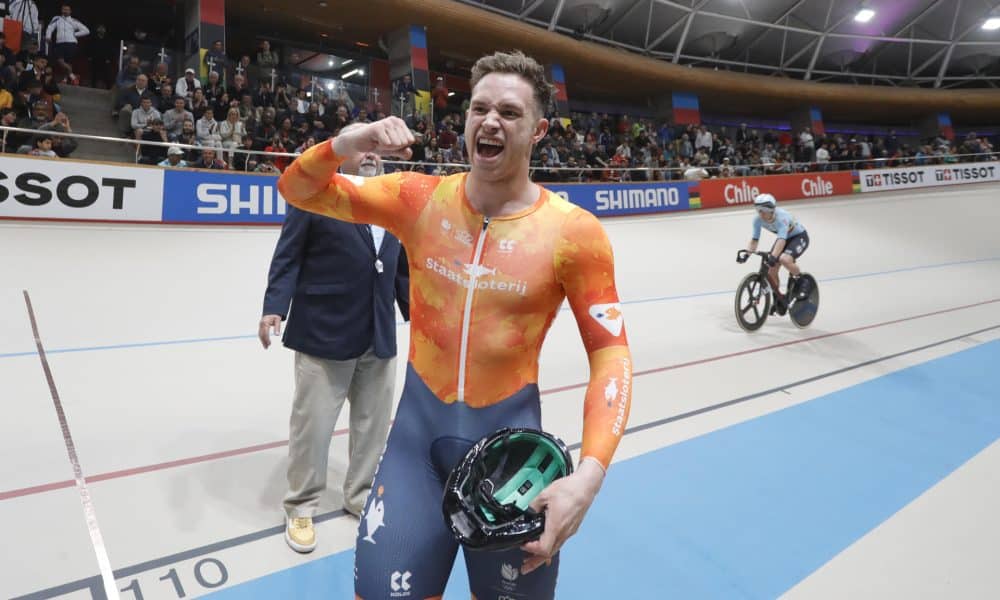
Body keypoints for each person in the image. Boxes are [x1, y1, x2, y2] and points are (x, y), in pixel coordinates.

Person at [277, 50, 632, 600]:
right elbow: (297, 190)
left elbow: (612, 355)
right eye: (479, 108)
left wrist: (589, 475)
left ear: (538, 131)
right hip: (414, 452)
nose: (490, 121)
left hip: (512, 469)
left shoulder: (573, 234)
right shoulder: (419, 200)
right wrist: (346, 143)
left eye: (510, 113)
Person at [261, 124, 410, 554]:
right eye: (364, 144)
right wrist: (275, 305)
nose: (372, 153)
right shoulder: (316, 194)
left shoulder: (392, 201)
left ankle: (360, 495)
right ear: (341, 152)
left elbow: (399, 269)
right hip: (323, 331)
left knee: (373, 426)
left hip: (378, 333)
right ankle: (301, 505)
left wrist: (418, 314)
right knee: (313, 427)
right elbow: (287, 254)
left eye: (378, 148)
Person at [741, 193, 810, 315]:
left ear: (771, 210)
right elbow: (754, 240)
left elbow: (782, 240)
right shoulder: (758, 220)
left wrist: (773, 257)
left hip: (799, 237)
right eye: (758, 210)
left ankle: (803, 280)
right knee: (771, 271)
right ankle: (778, 298)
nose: (760, 214)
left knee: (784, 259)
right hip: (783, 238)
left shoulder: (781, 217)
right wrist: (747, 254)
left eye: (762, 211)